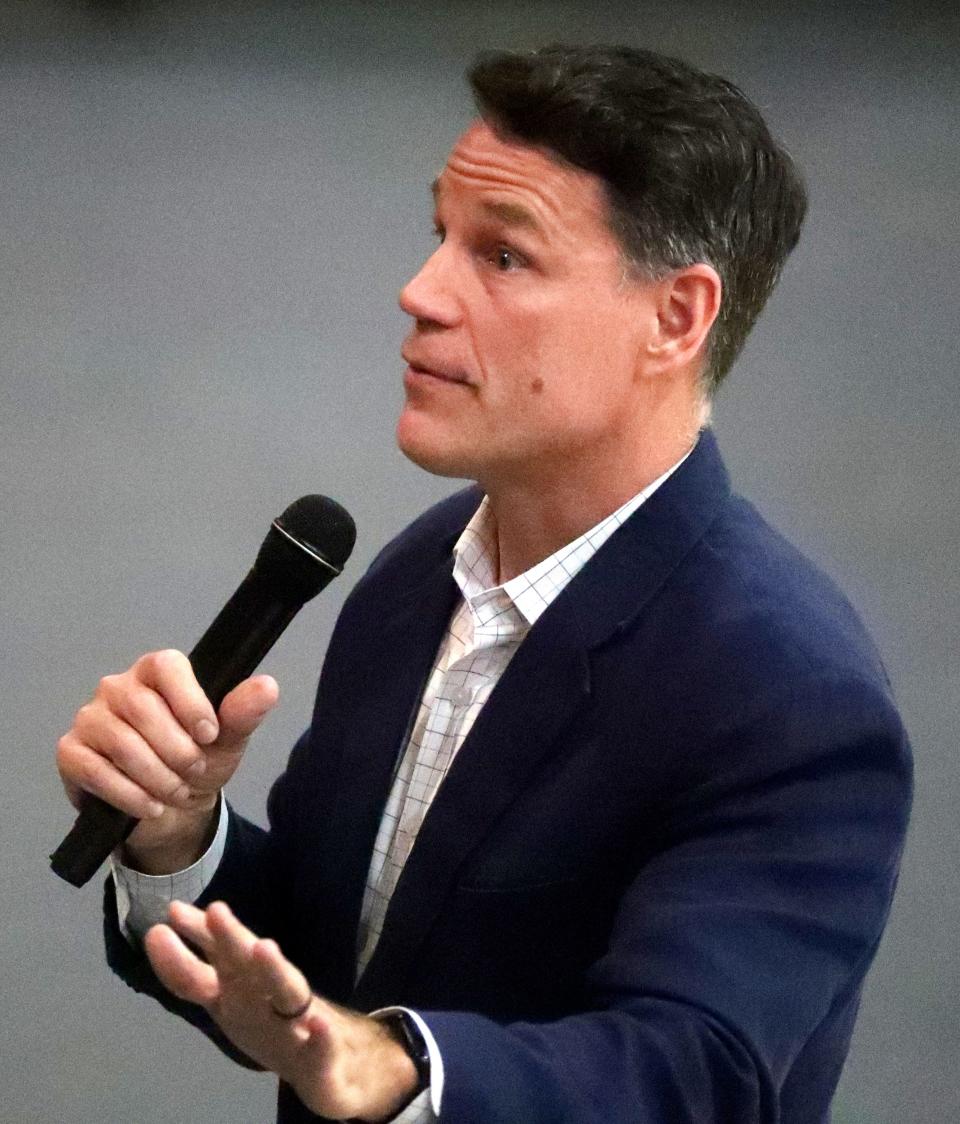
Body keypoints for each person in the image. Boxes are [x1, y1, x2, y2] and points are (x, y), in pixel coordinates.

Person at [56, 45, 912, 1124]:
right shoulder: (416, 578)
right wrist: (180, 835)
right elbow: (331, 980)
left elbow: (695, 1071)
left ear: (677, 318)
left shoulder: (791, 693)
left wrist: (407, 1068)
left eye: (502, 256)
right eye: (439, 236)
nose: (419, 292)